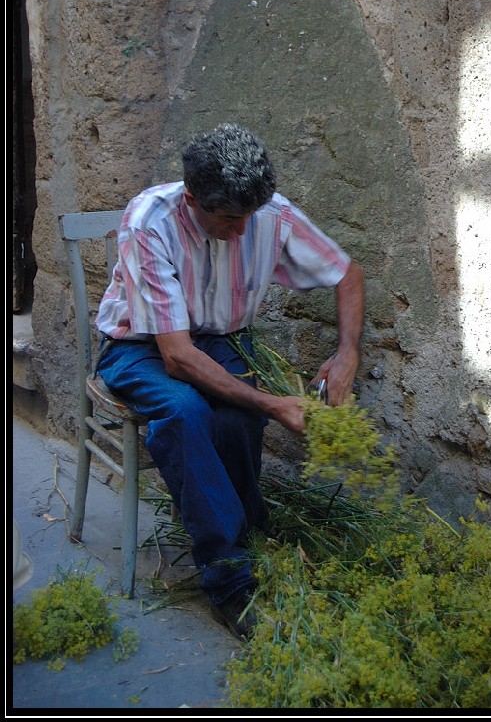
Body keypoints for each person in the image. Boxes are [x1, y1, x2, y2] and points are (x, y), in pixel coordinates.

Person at [95, 123, 364, 639]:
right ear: (192, 198)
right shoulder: (149, 222)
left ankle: (246, 524)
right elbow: (176, 357)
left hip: (218, 340)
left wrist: (346, 351)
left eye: (249, 218)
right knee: (186, 412)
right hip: (138, 348)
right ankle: (227, 579)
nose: (242, 232)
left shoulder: (271, 213)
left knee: (236, 412)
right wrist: (274, 403)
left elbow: (347, 273)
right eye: (229, 220)